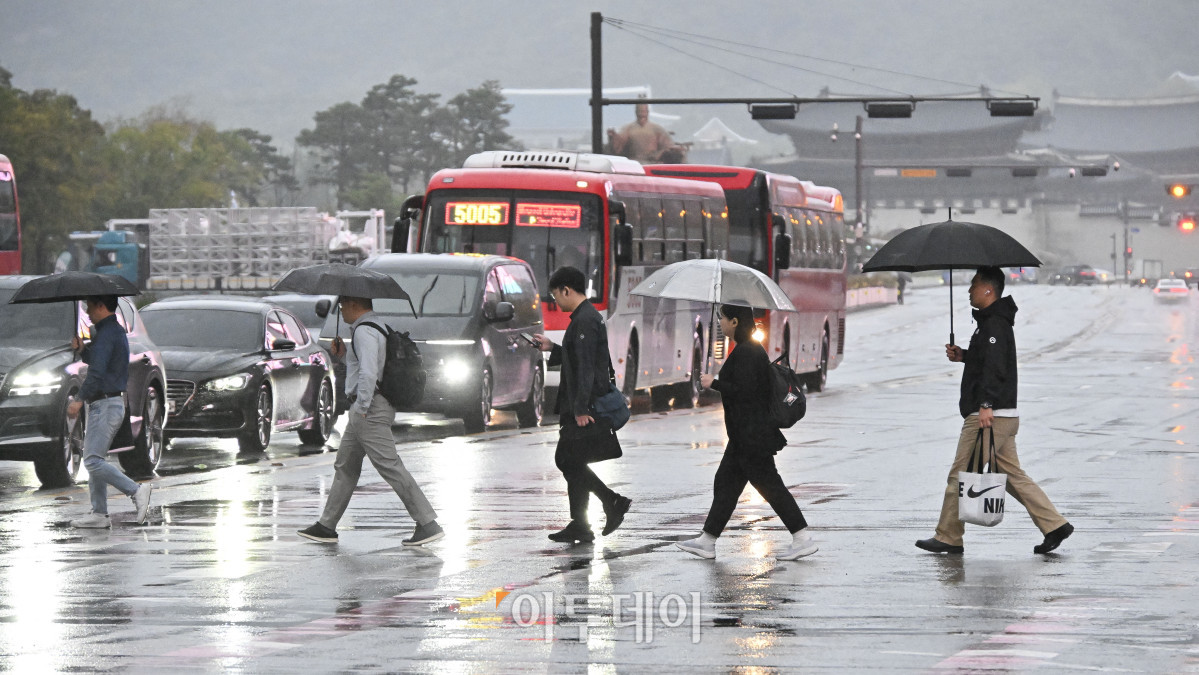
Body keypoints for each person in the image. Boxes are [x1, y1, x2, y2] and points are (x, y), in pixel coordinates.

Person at [916, 266, 1074, 555]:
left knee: (960, 474)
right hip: (1004, 415)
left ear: (988, 289)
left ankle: (949, 536)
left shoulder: (994, 325)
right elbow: (986, 361)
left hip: (990, 415)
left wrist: (986, 404)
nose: (968, 290)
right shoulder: (991, 322)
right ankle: (1055, 525)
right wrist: (964, 356)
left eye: (974, 284)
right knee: (1013, 476)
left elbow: (996, 368)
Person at [298, 296, 444, 546]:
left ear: (356, 305)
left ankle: (427, 523)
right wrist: (344, 356)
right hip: (366, 408)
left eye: (343, 306)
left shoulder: (365, 332)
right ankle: (326, 526)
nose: (341, 311)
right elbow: (367, 366)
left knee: (389, 465)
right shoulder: (376, 327)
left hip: (370, 409)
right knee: (345, 465)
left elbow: (369, 372)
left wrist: (363, 406)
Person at [676, 304, 817, 561]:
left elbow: (747, 392)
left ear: (735, 322)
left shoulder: (748, 351)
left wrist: (714, 383)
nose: (720, 324)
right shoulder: (746, 349)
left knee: (770, 486)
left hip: (752, 436)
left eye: (723, 319)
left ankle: (802, 537)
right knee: (726, 484)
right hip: (744, 436)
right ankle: (707, 540)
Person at [534, 267, 632, 543]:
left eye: (556, 295)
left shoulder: (585, 321)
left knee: (567, 459)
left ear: (566, 290)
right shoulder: (584, 318)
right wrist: (552, 348)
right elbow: (578, 358)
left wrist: (580, 409)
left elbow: (587, 368)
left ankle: (611, 502)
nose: (556, 301)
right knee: (571, 461)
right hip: (578, 403)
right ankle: (581, 523)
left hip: (582, 406)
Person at [69, 295, 152, 528]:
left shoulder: (107, 334)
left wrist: (78, 399)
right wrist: (84, 349)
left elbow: (96, 374)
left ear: (101, 305)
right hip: (107, 404)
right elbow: (100, 363)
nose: (87, 312)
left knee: (93, 461)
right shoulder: (112, 332)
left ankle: (136, 490)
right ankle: (99, 513)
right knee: (95, 458)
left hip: (104, 404)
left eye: (89, 307)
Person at [607, 102, 676, 164]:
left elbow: (668, 147)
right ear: (636, 112)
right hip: (633, 164)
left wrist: (660, 153)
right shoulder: (628, 129)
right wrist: (612, 137)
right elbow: (618, 146)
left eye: (644, 111)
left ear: (647, 112)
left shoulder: (657, 129)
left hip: (652, 164)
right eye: (640, 111)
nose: (642, 114)